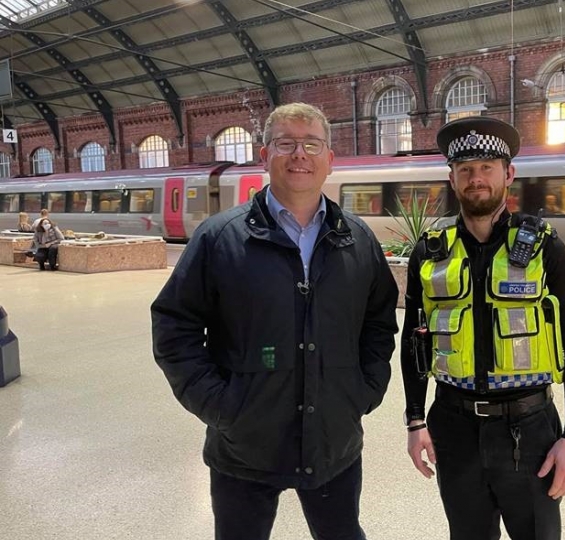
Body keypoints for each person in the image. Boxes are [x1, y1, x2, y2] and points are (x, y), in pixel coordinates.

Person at [151, 102, 399, 540]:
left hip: (333, 441)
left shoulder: (357, 239)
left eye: (311, 144)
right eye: (286, 143)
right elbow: (175, 326)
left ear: (329, 159)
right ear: (265, 155)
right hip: (243, 446)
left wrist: (363, 391)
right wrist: (221, 406)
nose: (299, 154)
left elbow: (378, 322)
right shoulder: (220, 238)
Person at [401, 117, 565, 540]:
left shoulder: (546, 247)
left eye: (487, 167)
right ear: (452, 178)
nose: (476, 179)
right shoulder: (429, 254)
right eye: (466, 169)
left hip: (530, 430)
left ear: (508, 174)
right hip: (453, 427)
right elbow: (413, 343)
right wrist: (415, 421)